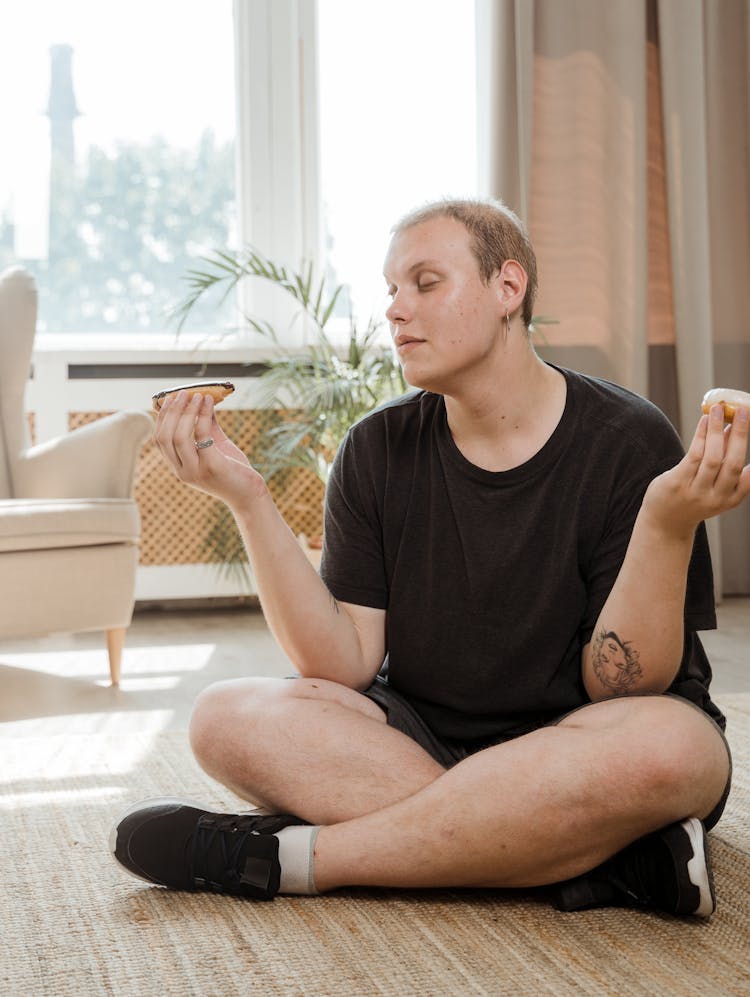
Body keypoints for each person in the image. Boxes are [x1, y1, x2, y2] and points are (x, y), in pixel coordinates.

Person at [111, 198, 749, 916]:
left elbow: (622, 686)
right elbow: (345, 665)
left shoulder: (628, 438)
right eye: (390, 290)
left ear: (508, 288)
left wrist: (666, 522)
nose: (394, 309)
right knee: (223, 717)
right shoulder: (376, 448)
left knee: (675, 745)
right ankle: (616, 858)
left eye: (424, 282)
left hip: (591, 740)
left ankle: (294, 859)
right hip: (422, 741)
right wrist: (249, 499)